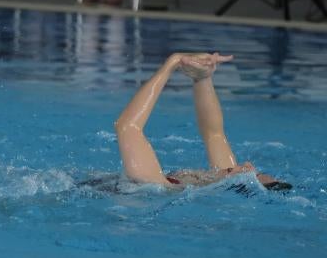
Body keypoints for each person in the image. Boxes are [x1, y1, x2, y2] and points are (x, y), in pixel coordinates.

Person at [113, 52, 290, 190]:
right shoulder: (219, 180)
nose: (250, 166)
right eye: (258, 172)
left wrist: (173, 62)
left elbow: (127, 127)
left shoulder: (152, 184)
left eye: (254, 176)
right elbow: (213, 134)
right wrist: (202, 77)